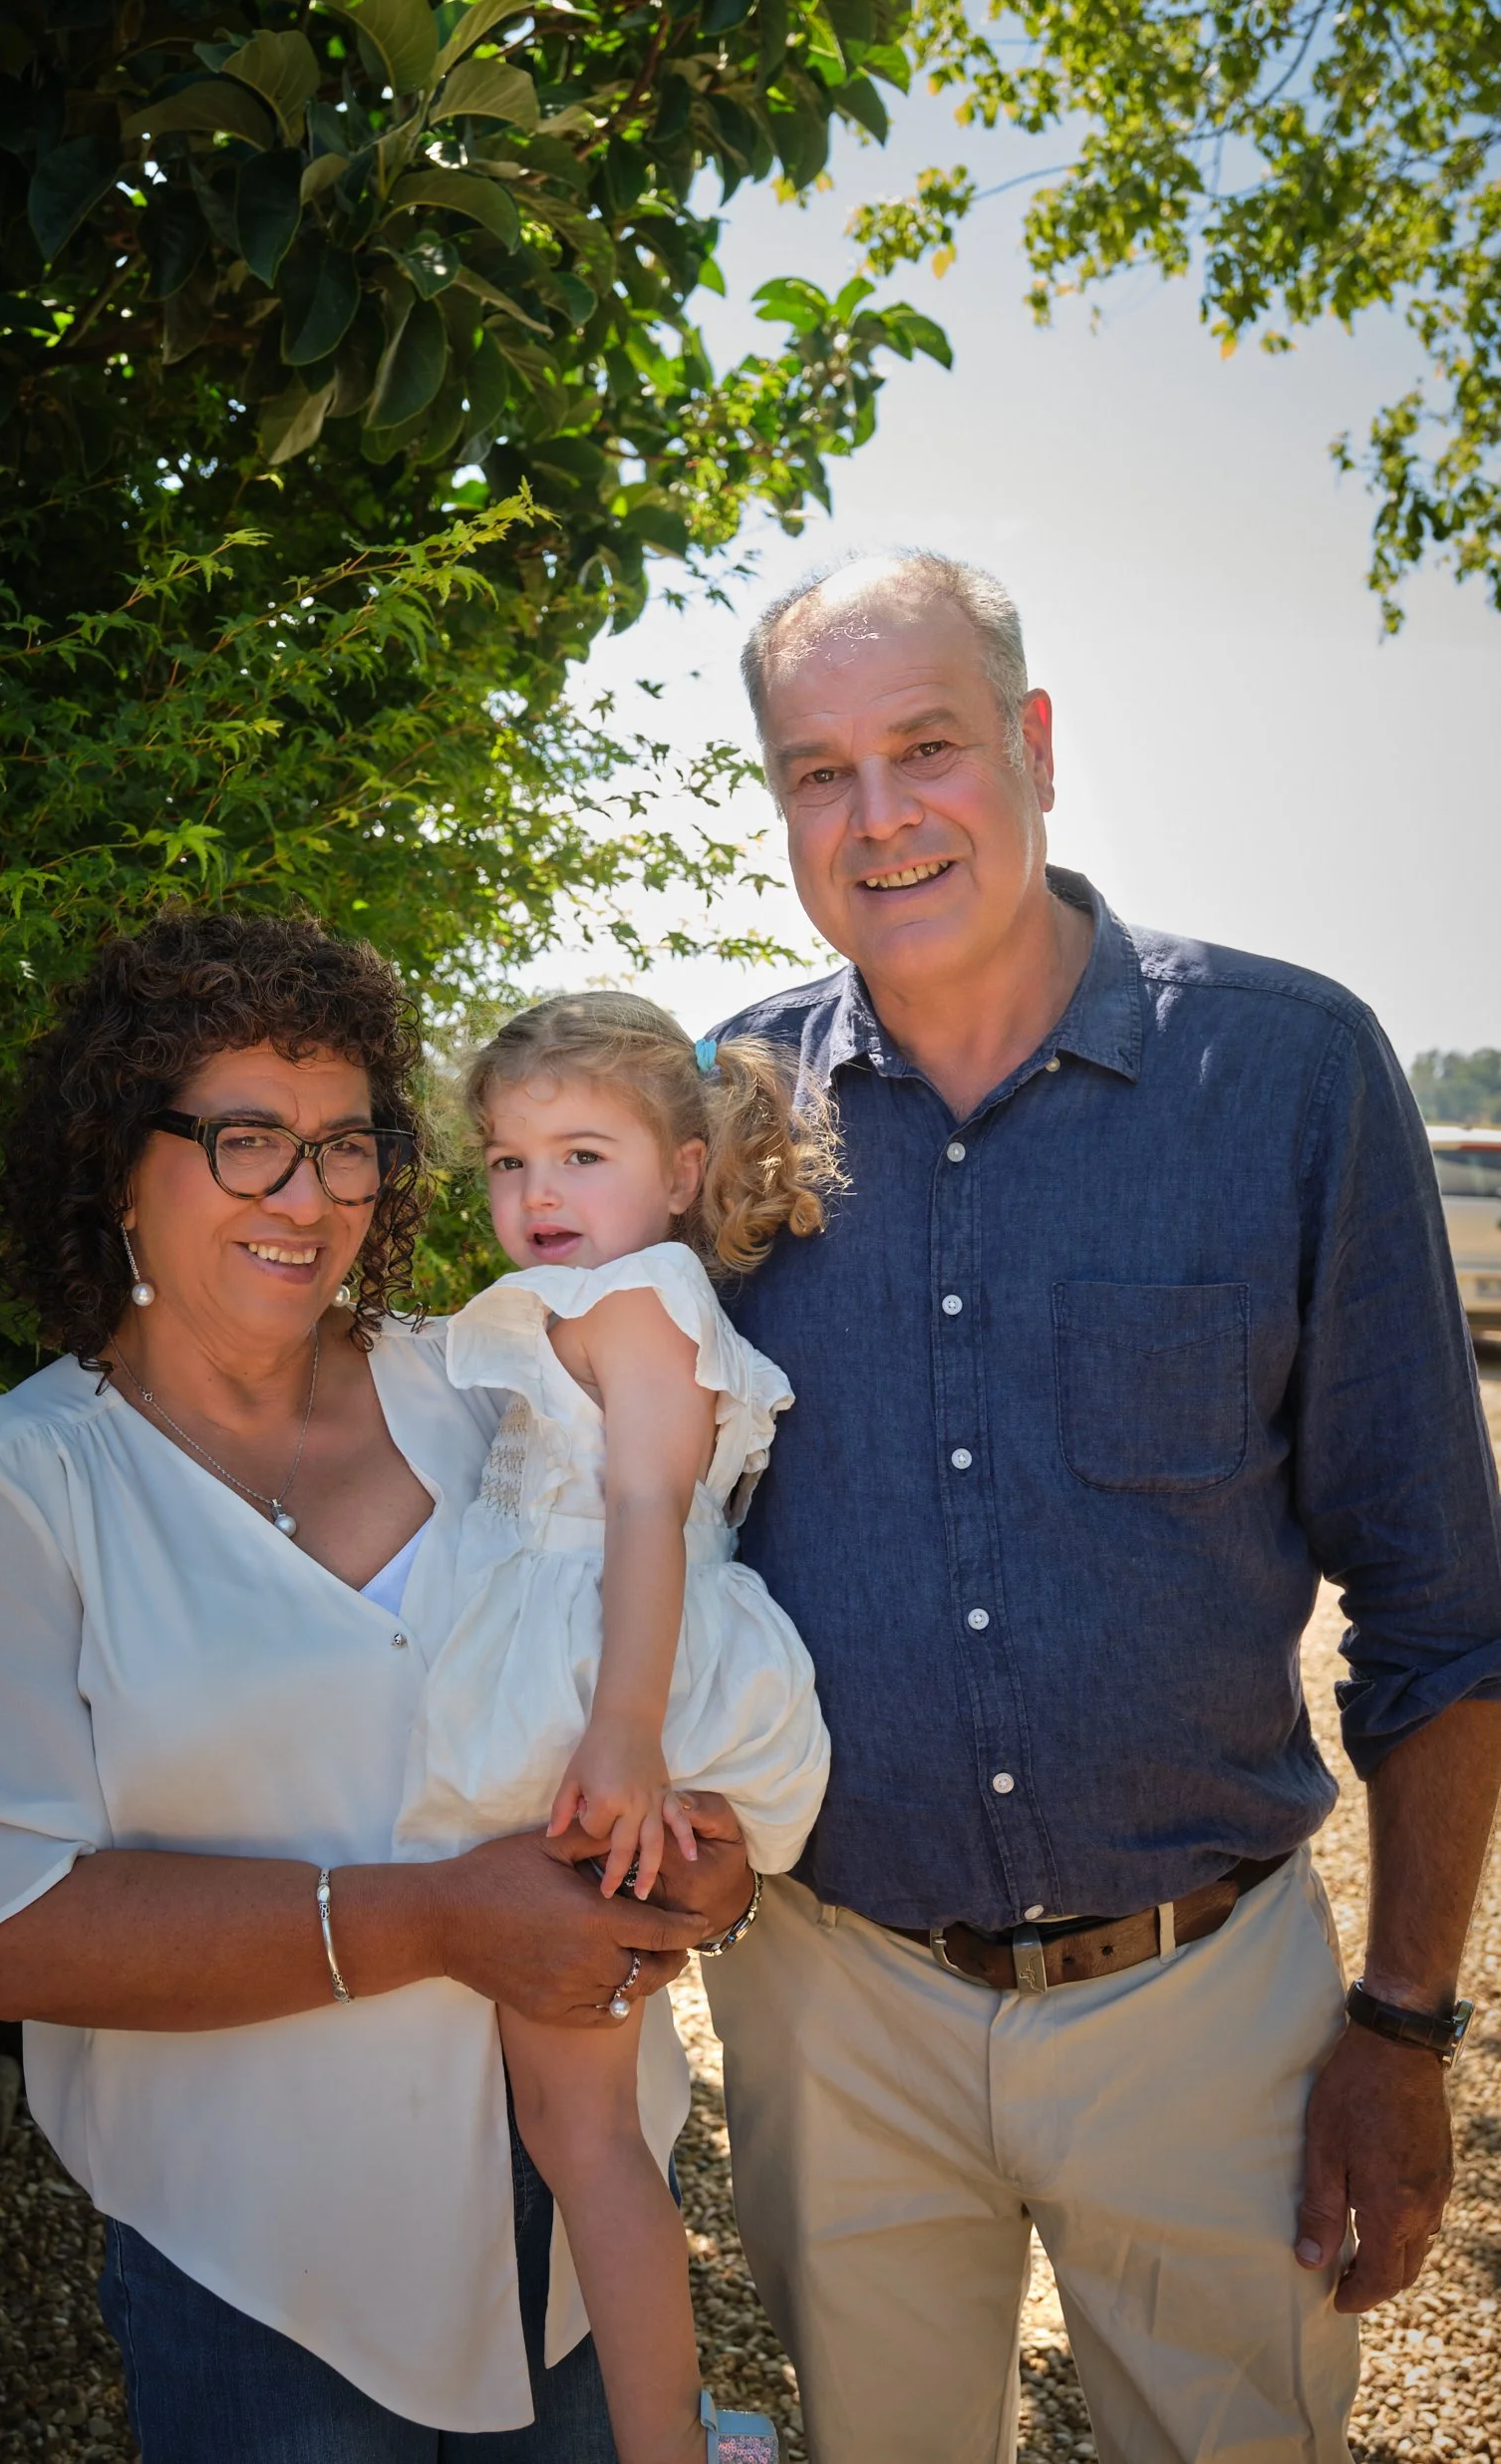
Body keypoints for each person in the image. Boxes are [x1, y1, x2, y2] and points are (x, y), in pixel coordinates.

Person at [701, 552, 1501, 2462]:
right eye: (818, 772)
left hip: (1204, 2005)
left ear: (1034, 748)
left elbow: (1438, 1607)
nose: (877, 817)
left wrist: (1402, 2032)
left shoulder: (1288, 1077)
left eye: (925, 748)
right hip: (834, 2003)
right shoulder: (728, 1115)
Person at [0, 912, 756, 2463]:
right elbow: (13, 1930)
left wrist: (710, 1869)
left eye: (345, 1145)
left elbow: (679, 1613)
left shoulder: (493, 1380)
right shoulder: (19, 1480)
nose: (306, 1198)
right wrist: (436, 1920)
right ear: (116, 1162)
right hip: (257, 2266)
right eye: (245, 1141)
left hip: (575, 2214)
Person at [398, 992, 834, 2464]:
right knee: (573, 2125)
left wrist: (625, 1736)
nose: (537, 1197)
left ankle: (665, 2441)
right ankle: (665, 2428)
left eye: (580, 1156)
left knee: (581, 2137)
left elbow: (648, 1507)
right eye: (510, 1164)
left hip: (596, 1694)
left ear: (682, 1172)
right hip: (593, 1681)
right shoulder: (618, 1301)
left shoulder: (639, 1302)